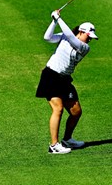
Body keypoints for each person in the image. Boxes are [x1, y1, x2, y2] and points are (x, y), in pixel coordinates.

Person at [35, 10, 98, 154]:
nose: (89, 40)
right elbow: (47, 37)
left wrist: (58, 18)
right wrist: (54, 21)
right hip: (51, 76)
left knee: (76, 112)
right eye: (89, 37)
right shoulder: (66, 37)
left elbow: (70, 36)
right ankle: (54, 145)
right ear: (81, 32)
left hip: (64, 80)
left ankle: (67, 139)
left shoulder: (84, 47)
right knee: (58, 109)